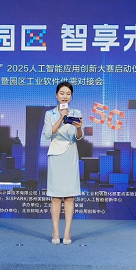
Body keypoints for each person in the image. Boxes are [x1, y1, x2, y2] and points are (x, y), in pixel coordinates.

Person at [42, 82, 84, 245]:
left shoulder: (77, 113)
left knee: (69, 196)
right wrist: (61, 117)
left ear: (71, 96)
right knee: (56, 196)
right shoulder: (50, 114)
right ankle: (55, 231)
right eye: (62, 93)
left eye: (68, 94)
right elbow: (48, 134)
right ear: (56, 95)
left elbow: (78, 137)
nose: (65, 96)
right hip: (56, 155)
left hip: (70, 154)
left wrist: (79, 128)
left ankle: (67, 231)